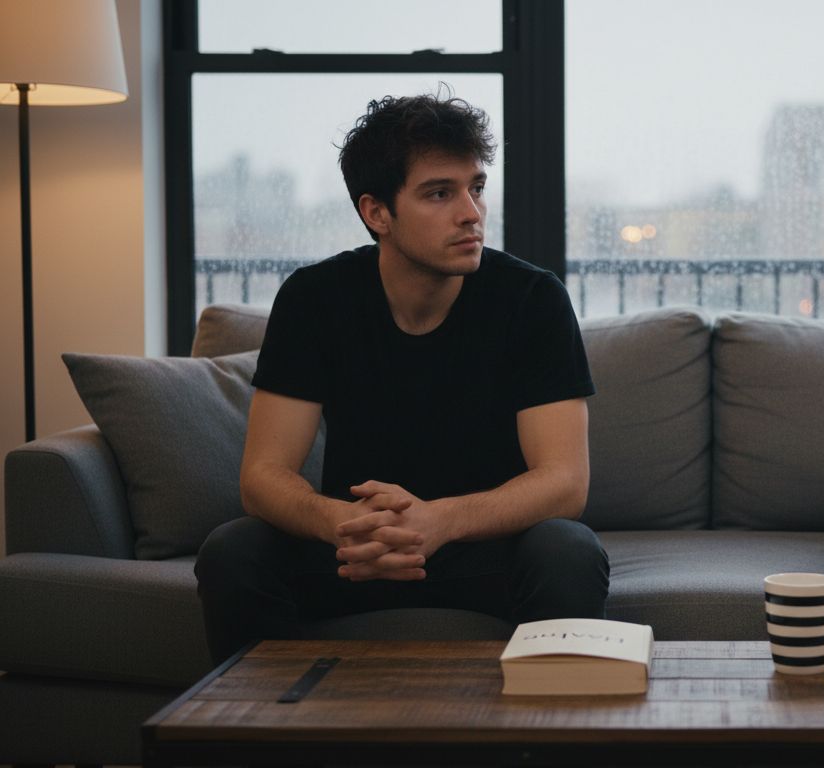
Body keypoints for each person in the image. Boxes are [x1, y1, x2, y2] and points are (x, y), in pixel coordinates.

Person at [194, 93, 609, 663]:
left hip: (481, 549)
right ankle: (264, 735)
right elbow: (262, 476)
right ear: (376, 213)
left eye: (476, 187)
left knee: (567, 548)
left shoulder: (532, 300)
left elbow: (566, 481)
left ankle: (549, 744)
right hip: (357, 548)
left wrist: (440, 519)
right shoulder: (315, 299)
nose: (472, 212)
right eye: (440, 193)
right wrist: (341, 520)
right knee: (233, 550)